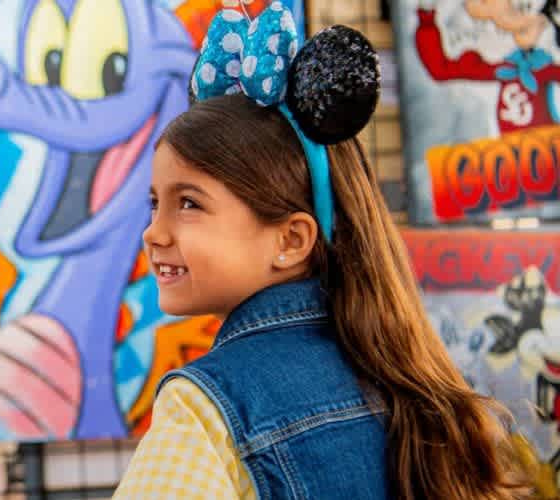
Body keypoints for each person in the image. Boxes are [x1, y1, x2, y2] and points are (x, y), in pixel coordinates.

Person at [114, 4, 530, 500]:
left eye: (188, 203)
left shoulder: (207, 409)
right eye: (155, 203)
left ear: (290, 240)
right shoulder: (408, 386)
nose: (153, 233)